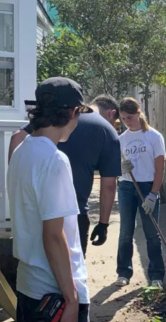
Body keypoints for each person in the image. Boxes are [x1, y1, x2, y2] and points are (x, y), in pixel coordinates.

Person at [7, 77, 93, 322]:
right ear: (73, 112)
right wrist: (71, 299)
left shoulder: (21, 150)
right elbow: (54, 236)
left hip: (28, 287)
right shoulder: (54, 160)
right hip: (54, 295)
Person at [8, 95, 121, 256]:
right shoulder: (107, 131)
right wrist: (103, 223)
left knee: (36, 262)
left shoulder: (55, 119)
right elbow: (109, 185)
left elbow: (17, 137)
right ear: (112, 113)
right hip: (75, 213)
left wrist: (18, 176)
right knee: (68, 264)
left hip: (36, 208)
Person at [116, 97, 166, 288]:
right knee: (125, 231)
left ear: (139, 113)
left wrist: (153, 194)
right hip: (126, 187)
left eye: (130, 117)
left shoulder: (154, 137)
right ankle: (123, 272)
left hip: (147, 187)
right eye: (123, 118)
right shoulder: (121, 139)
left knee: (152, 232)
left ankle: (156, 275)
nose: (127, 122)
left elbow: (160, 167)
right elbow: (115, 165)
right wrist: (121, 167)